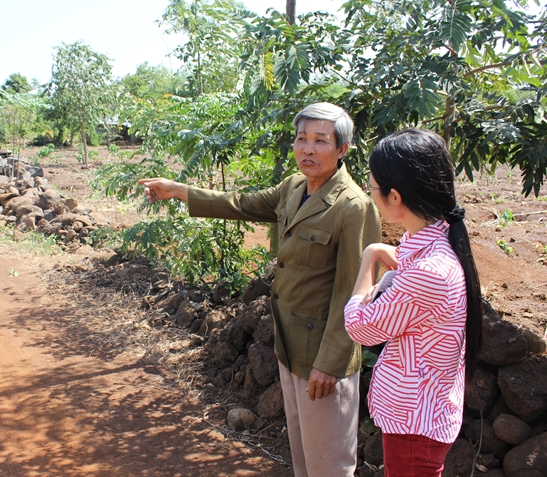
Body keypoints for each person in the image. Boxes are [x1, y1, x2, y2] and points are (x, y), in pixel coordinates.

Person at [139, 102, 381, 477]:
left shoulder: (353, 207)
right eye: (302, 139)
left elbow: (354, 293)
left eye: (320, 141)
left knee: (330, 464)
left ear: (343, 149)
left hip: (322, 358)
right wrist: (178, 191)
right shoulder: (294, 186)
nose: (308, 149)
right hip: (290, 345)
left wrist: (330, 363)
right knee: (304, 456)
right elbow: (241, 204)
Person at [344, 129, 483, 477]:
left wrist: (368, 258)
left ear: (394, 197)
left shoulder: (429, 271)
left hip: (414, 420)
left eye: (372, 186)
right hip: (423, 410)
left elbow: (360, 325)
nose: (368, 193)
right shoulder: (434, 243)